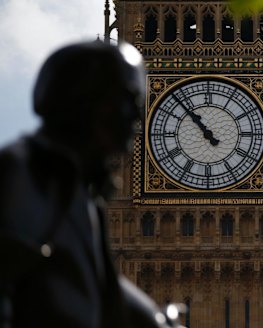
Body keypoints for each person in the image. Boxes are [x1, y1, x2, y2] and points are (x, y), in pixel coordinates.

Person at [0, 41, 172, 328]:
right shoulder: (23, 172)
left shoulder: (81, 195)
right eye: (127, 101)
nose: (137, 118)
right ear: (87, 101)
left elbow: (109, 294)